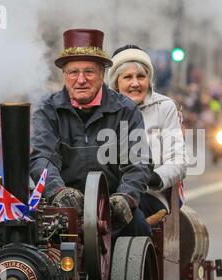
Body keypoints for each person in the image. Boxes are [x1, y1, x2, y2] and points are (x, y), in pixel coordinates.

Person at [30, 29, 153, 237]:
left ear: (102, 74)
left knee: (139, 230)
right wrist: (58, 192)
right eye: (73, 72)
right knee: (21, 232)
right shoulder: (47, 109)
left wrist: (125, 197)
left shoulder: (126, 109)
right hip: (62, 207)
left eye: (89, 72)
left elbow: (139, 161)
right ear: (64, 75)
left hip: (112, 209)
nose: (81, 80)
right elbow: (42, 157)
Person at [107, 45, 186, 222]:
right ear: (115, 83)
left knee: (125, 214)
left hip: (151, 194)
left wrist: (153, 177)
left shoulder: (165, 107)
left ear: (148, 80)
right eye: (127, 77)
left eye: (141, 77)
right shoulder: (104, 109)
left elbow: (178, 161)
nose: (135, 83)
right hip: (108, 194)